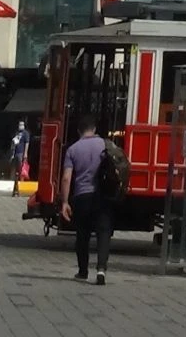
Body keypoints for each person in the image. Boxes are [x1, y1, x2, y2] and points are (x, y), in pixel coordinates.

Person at [59, 116, 112, 284]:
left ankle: (83, 271)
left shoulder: (72, 149)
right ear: (94, 129)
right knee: (104, 232)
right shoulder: (106, 145)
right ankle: (101, 270)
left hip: (81, 197)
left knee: (82, 235)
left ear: (78, 131)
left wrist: (64, 202)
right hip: (102, 196)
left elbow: (66, 178)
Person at [11, 121, 31, 196]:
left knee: (21, 171)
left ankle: (20, 187)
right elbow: (13, 143)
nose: (20, 126)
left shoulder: (26, 133)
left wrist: (25, 153)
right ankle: (15, 188)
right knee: (16, 171)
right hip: (15, 154)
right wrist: (12, 154)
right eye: (20, 124)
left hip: (21, 153)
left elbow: (27, 143)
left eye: (22, 124)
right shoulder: (16, 133)